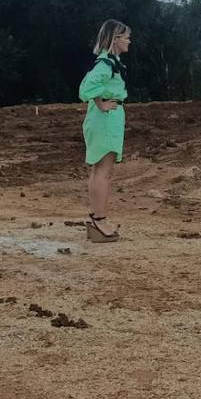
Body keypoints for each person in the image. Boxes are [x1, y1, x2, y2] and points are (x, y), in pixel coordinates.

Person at [78, 19, 131, 243]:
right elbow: (86, 88)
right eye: (126, 37)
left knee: (100, 170)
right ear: (115, 39)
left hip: (107, 118)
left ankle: (97, 219)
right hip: (105, 119)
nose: (129, 41)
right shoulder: (106, 65)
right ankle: (98, 220)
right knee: (103, 171)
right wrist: (101, 104)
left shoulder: (111, 63)